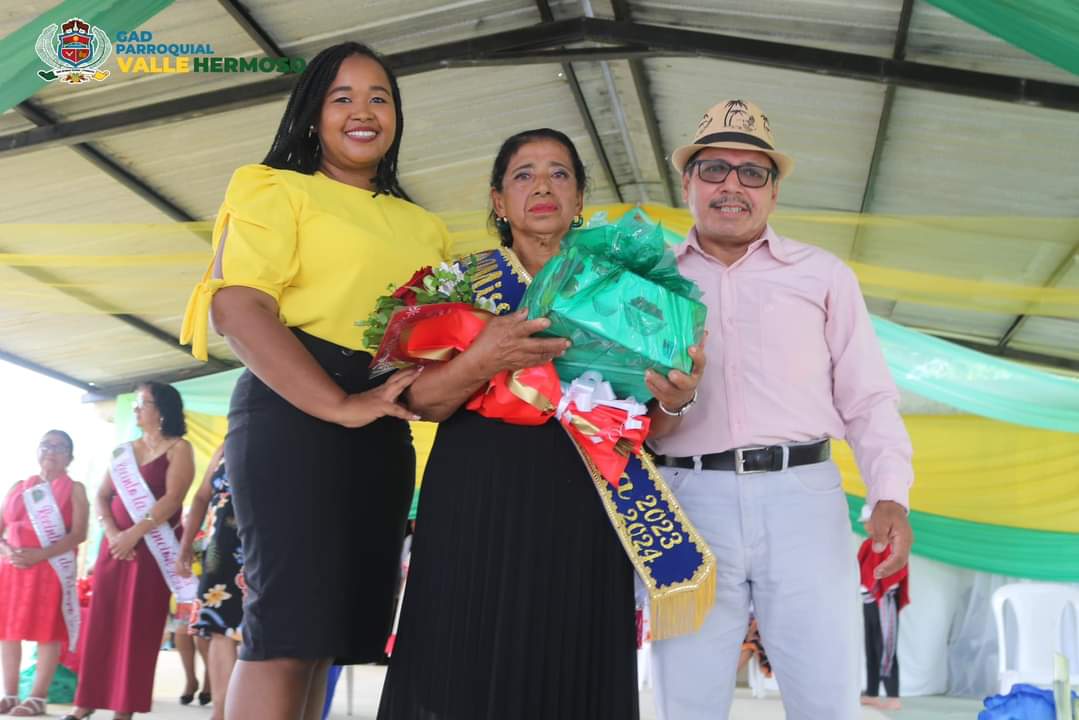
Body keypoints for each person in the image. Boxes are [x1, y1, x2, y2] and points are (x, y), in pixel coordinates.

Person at [376, 128, 704, 720]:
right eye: (523, 174)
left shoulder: (629, 288)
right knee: (461, 657)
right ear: (498, 200)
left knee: (571, 658)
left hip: (585, 499)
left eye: (559, 173)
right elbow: (422, 403)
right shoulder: (463, 282)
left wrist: (678, 399)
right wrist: (484, 359)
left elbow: (652, 425)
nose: (543, 186)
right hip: (476, 497)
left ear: (579, 198)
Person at [180, 41, 451, 720]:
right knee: (282, 634)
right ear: (311, 114)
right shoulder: (274, 188)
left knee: (326, 636)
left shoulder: (425, 226)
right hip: (293, 412)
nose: (363, 112)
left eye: (379, 98)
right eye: (342, 98)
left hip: (379, 424)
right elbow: (238, 307)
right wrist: (336, 403)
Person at [646, 98, 915, 720]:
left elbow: (869, 397)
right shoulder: (651, 280)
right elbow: (622, 406)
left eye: (752, 172)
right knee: (685, 700)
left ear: (774, 190)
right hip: (686, 501)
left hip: (804, 498)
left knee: (825, 698)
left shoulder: (823, 276)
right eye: (713, 169)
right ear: (686, 184)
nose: (731, 186)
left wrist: (890, 494)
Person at [65, 381, 196, 720]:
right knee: (102, 624)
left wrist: (133, 534)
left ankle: (124, 706)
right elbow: (102, 496)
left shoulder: (179, 448)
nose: (136, 409)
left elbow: (173, 499)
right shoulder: (123, 452)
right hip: (115, 549)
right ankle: (86, 701)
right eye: (136, 404)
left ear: (162, 409)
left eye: (143, 403)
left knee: (139, 628)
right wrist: (113, 534)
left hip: (152, 552)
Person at [0, 430, 88, 717]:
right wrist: (8, 551)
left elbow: (79, 533)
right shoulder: (19, 486)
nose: (51, 450)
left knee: (47, 632)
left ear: (70, 457)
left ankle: (37, 697)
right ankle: (10, 695)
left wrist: (41, 554)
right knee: (7, 632)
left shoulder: (74, 489)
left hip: (51, 569)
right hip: (13, 569)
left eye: (59, 447)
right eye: (46, 445)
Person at [177, 444, 239, 720]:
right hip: (218, 550)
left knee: (254, 632)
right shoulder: (226, 445)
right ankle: (220, 713)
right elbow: (202, 496)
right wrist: (185, 545)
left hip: (262, 546)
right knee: (218, 627)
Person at [858, 507, 910, 711]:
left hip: (885, 600)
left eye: (868, 521)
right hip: (869, 601)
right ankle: (872, 692)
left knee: (887, 647)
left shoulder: (893, 544)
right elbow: (860, 570)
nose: (865, 526)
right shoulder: (867, 545)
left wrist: (877, 586)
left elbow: (896, 571)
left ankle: (893, 695)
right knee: (871, 646)